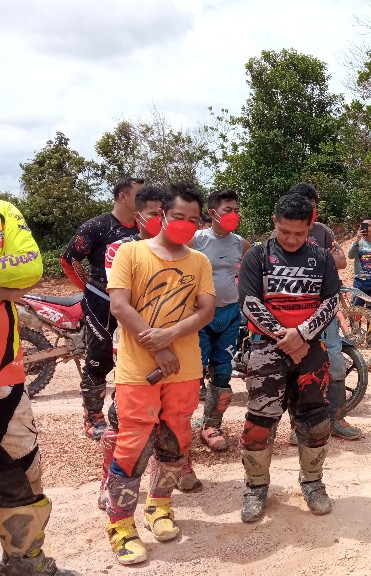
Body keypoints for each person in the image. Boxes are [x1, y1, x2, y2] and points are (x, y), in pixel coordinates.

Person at [105, 183, 215, 565]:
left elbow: (206, 311)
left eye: (193, 219)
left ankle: (159, 506)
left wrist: (170, 335)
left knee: (176, 439)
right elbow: (120, 306)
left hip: (185, 368)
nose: (185, 224)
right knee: (133, 444)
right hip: (138, 368)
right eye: (178, 216)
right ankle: (121, 525)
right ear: (162, 215)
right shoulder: (130, 252)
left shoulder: (199, 261)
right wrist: (159, 345)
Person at [237, 193, 341, 522]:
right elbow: (249, 302)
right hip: (266, 349)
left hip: (311, 350)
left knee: (315, 421)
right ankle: (255, 487)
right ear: (274, 222)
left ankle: (313, 483)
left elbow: (332, 302)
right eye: (284, 232)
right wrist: (286, 337)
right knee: (259, 422)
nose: (292, 239)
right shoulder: (257, 256)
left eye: (300, 233)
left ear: (311, 226)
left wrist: (303, 333)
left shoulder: (321, 257)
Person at [0, 200, 79, 575]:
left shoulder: (3, 212)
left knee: (23, 468)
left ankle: (25, 562)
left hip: (6, 378)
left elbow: (29, 269)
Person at [61, 177, 144, 439]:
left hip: (135, 301)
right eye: (139, 195)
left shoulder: (145, 226)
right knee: (99, 357)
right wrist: (89, 287)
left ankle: (124, 412)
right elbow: (68, 260)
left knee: (134, 356)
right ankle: (93, 417)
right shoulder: (96, 226)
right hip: (100, 300)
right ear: (123, 196)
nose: (144, 200)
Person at [284, 183, 361, 440]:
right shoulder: (283, 233)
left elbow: (341, 261)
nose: (311, 210)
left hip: (326, 309)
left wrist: (310, 259)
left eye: (314, 206)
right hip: (297, 310)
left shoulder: (323, 231)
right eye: (307, 206)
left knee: (336, 361)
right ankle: (300, 426)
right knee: (300, 365)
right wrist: (323, 259)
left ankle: (337, 419)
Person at [193, 189, 250, 452]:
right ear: (213, 213)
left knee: (223, 371)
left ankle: (211, 426)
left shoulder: (239, 243)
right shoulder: (197, 240)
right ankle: (178, 426)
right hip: (199, 316)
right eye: (228, 210)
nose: (234, 214)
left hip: (229, 315)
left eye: (236, 210)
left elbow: (256, 265)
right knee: (193, 373)